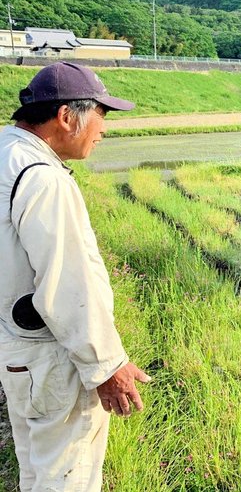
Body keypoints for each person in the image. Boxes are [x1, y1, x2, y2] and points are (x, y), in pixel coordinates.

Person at [0, 62, 150, 491]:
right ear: (67, 117)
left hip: (17, 350)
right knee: (67, 476)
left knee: (37, 467)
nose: (103, 129)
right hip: (51, 358)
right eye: (101, 114)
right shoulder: (43, 179)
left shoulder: (6, 154)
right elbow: (69, 286)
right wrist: (106, 366)